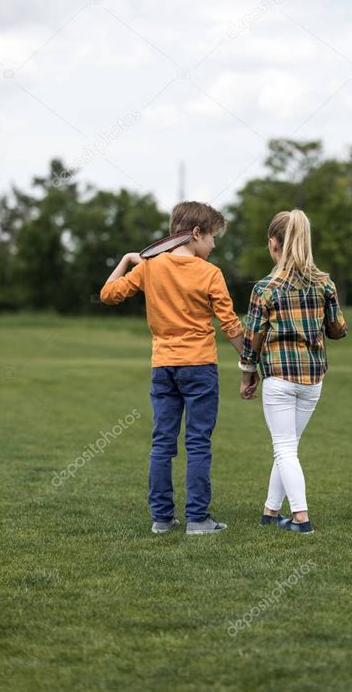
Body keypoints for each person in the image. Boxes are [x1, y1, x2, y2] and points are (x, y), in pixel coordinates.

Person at [100, 201, 244, 535]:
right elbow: (230, 325)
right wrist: (249, 362)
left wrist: (126, 260)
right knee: (198, 443)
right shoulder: (210, 273)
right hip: (199, 366)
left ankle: (162, 520)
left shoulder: (149, 268)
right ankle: (197, 520)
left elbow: (108, 294)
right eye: (212, 237)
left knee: (162, 443)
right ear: (196, 234)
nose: (213, 245)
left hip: (163, 366)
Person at [239, 209, 347, 534]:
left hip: (279, 377)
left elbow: (252, 338)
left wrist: (247, 374)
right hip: (313, 379)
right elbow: (338, 329)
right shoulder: (324, 283)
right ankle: (270, 512)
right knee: (288, 446)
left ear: (274, 244)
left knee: (284, 447)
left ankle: (301, 519)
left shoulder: (265, 288)